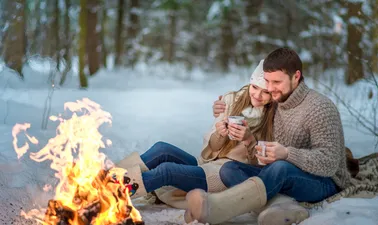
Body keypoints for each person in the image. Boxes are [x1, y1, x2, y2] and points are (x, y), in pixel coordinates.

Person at [184, 47, 353, 225]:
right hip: (281, 175)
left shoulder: (320, 107)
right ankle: (281, 207)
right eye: (267, 82)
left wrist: (287, 154)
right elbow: (248, 100)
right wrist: (222, 105)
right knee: (230, 169)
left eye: (276, 82)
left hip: (322, 182)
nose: (270, 89)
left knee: (281, 167)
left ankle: (216, 208)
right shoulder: (277, 102)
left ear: (296, 77)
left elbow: (329, 164)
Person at [115, 60, 276, 206]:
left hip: (221, 175)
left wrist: (248, 140)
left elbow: (258, 169)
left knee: (167, 171)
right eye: (254, 87)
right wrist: (220, 133)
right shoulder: (232, 100)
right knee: (161, 149)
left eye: (265, 92)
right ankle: (107, 179)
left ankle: (113, 194)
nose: (257, 95)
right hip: (206, 165)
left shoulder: (273, 119)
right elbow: (211, 149)